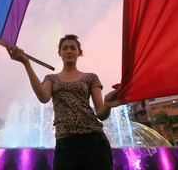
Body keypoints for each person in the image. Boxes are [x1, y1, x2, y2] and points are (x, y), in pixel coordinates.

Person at [7, 34, 121, 170]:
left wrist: (107, 105)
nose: (69, 51)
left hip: (95, 142)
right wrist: (26, 63)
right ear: (60, 53)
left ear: (80, 53)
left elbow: (101, 114)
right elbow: (43, 97)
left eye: (73, 48)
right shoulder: (51, 78)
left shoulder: (91, 77)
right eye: (65, 48)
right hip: (65, 144)